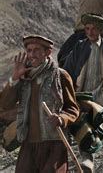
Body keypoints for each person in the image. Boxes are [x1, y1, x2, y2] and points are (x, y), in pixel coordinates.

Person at [0, 35, 79, 172]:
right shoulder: (24, 77)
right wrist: (14, 78)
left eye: (36, 50)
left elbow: (72, 109)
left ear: (47, 52)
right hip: (28, 143)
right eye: (29, 50)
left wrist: (61, 119)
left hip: (54, 143)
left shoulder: (60, 76)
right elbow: (5, 104)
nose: (31, 55)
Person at [63, 13, 103, 172]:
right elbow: (67, 70)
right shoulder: (79, 47)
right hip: (79, 94)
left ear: (100, 30)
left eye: (93, 29)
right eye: (87, 29)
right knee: (74, 126)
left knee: (91, 128)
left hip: (99, 96)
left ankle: (87, 161)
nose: (90, 32)